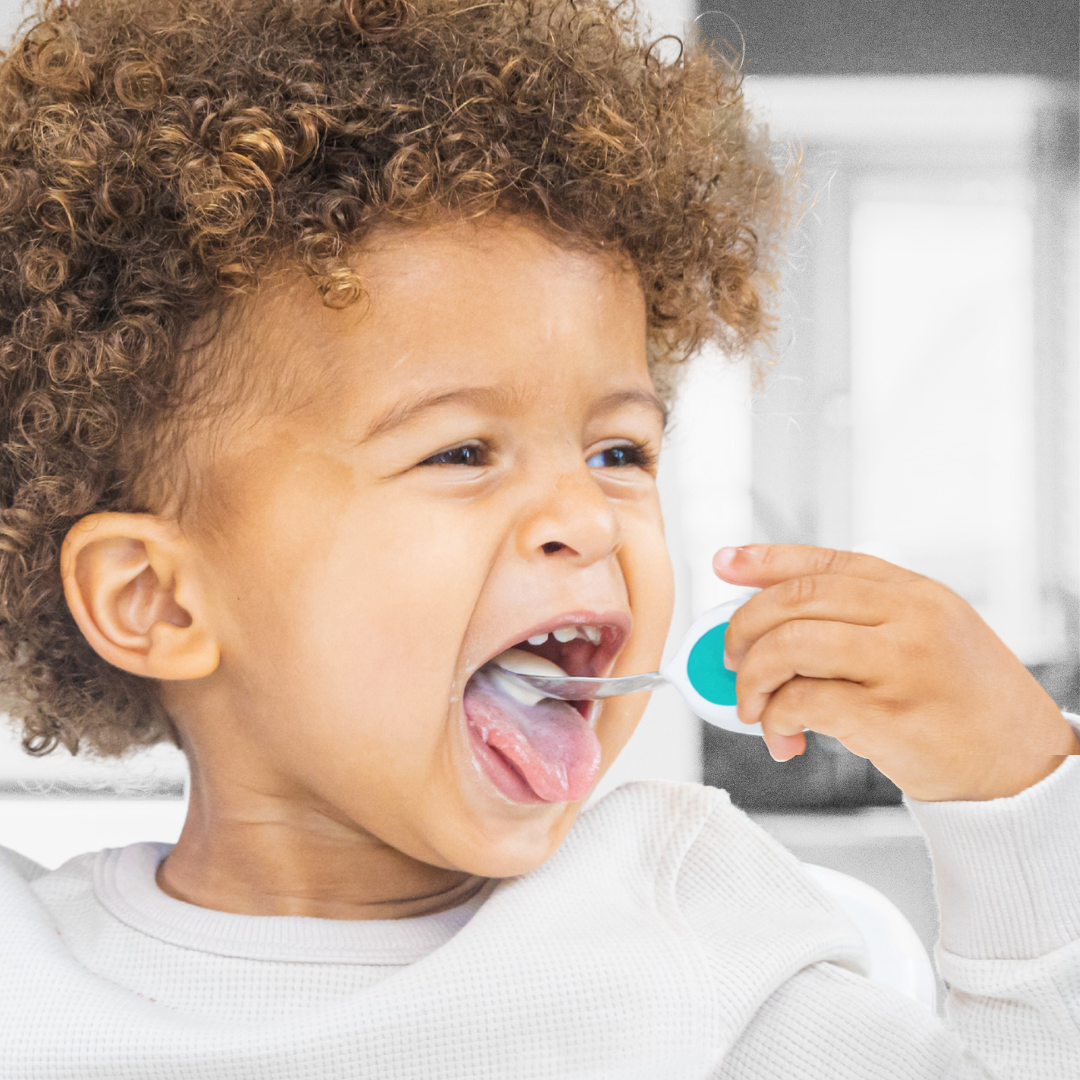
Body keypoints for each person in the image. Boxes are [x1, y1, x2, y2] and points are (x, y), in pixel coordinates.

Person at [0, 0, 1076, 1076]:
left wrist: (1012, 794)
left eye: (619, 453)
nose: (585, 518)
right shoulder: (27, 979)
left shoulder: (689, 933)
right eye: (462, 453)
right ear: (158, 599)